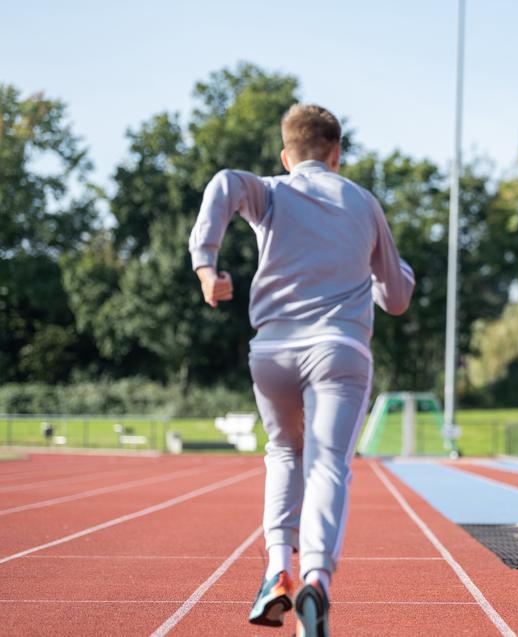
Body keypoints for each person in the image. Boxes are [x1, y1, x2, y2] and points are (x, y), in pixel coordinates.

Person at [188, 103, 415, 635]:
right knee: (328, 463)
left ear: (287, 156)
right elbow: (397, 298)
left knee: (284, 452)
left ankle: (276, 571)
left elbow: (224, 183)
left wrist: (206, 264)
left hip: (272, 351)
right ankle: (316, 578)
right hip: (338, 350)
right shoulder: (362, 201)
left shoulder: (271, 191)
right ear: (336, 154)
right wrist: (393, 271)